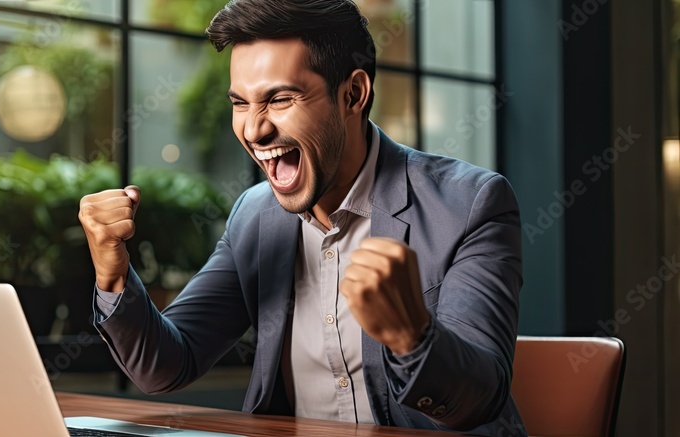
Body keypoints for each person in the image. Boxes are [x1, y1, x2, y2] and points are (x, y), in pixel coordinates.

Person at [77, 0, 525, 434]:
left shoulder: (470, 204)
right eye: (240, 103)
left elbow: (479, 400)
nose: (254, 129)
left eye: (280, 99)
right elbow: (168, 366)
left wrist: (413, 336)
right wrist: (112, 274)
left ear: (353, 94)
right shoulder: (254, 216)